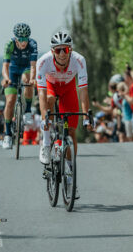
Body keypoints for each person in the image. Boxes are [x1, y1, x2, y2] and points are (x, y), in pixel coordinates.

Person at [36, 31, 92, 199]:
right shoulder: (43, 62)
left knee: (72, 131)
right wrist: (45, 115)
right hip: (51, 87)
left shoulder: (79, 61)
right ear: (52, 51)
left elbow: (83, 91)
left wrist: (87, 116)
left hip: (68, 89)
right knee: (50, 101)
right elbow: (41, 95)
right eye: (58, 50)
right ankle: (46, 143)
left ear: (70, 50)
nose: (61, 53)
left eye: (65, 50)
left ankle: (70, 174)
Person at [1, 23, 38, 149]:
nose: (23, 42)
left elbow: (33, 66)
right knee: (10, 100)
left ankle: (27, 110)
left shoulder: (33, 44)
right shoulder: (9, 44)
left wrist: (33, 79)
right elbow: (5, 66)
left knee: (27, 80)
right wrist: (6, 79)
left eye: (26, 39)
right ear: (16, 38)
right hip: (13, 69)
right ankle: (7, 135)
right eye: (21, 39)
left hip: (27, 68)